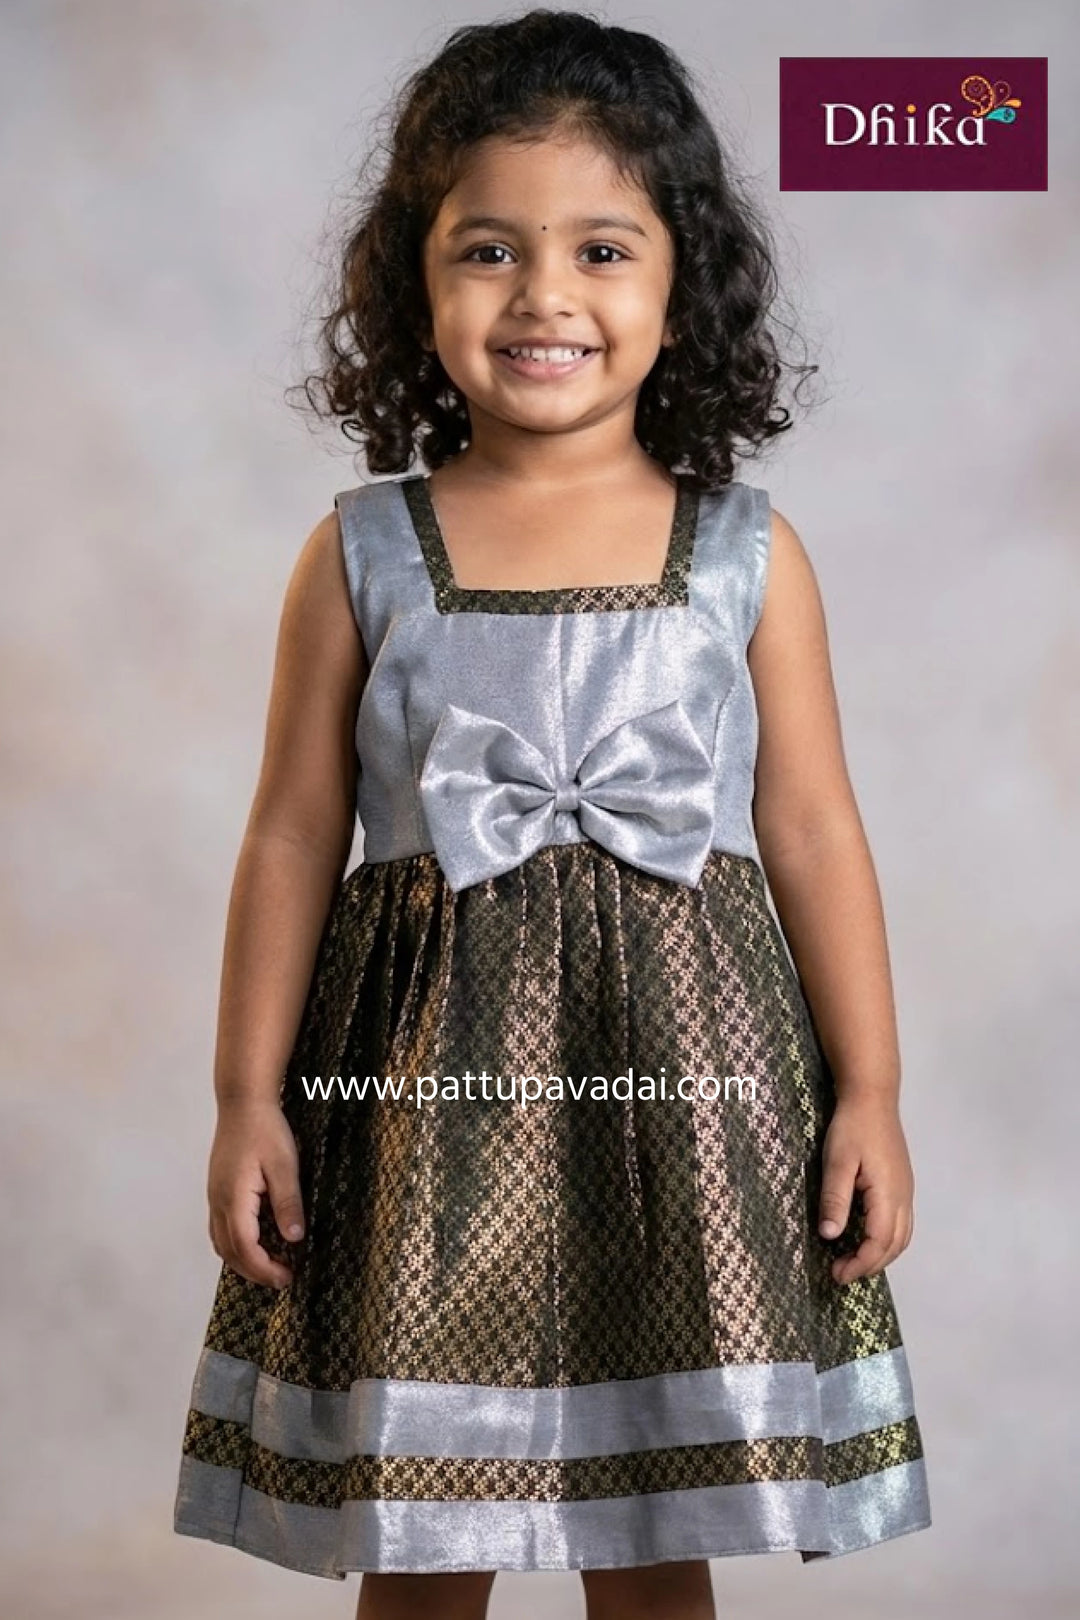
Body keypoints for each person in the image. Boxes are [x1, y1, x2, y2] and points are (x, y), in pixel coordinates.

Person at [172, 9, 932, 1616]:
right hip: (420, 1105)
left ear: (680, 280)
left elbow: (811, 830)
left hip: (690, 1098)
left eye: (600, 247)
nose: (545, 298)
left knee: (659, 1535)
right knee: (427, 1536)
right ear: (414, 281)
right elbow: (294, 834)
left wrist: (869, 1089)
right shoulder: (362, 552)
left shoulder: (746, 553)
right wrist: (249, 1097)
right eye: (488, 251)